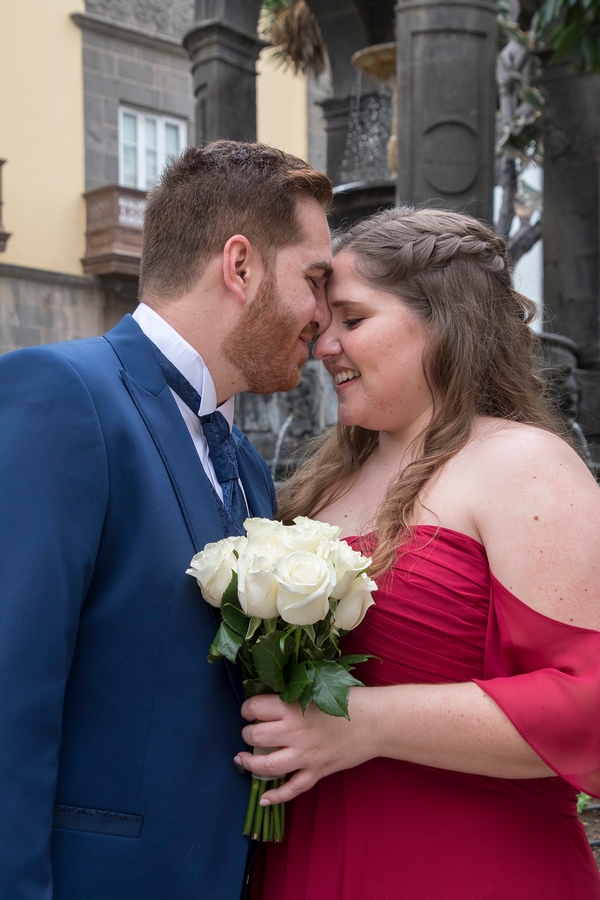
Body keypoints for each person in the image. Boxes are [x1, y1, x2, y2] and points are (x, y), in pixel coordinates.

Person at [0, 141, 333, 900]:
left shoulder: (247, 465)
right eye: (314, 280)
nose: (322, 315)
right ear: (240, 266)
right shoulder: (64, 395)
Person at [237, 206, 600, 900]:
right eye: (325, 323)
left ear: (446, 323)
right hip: (305, 857)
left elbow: (590, 708)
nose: (323, 345)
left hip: (471, 865)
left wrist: (365, 724)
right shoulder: (321, 482)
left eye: (353, 319)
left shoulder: (522, 464)